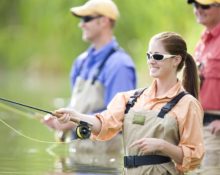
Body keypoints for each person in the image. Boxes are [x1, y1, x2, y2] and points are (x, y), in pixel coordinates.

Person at [53, 32, 205, 175]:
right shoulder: (129, 98)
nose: (151, 61)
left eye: (158, 56)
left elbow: (194, 158)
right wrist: (76, 116)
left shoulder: (188, 104)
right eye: (149, 55)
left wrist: (163, 146)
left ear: (176, 60)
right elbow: (104, 124)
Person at [43, 0, 136, 170]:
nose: (81, 25)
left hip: (105, 161)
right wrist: (59, 121)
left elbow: (118, 118)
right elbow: (76, 105)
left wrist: (71, 121)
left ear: (104, 21)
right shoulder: (81, 62)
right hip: (77, 157)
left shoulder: (120, 65)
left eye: (86, 19)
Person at [187, 0, 220, 174]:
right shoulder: (203, 41)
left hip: (216, 130)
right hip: (199, 129)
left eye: (204, 6)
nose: (198, 9)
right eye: (195, 5)